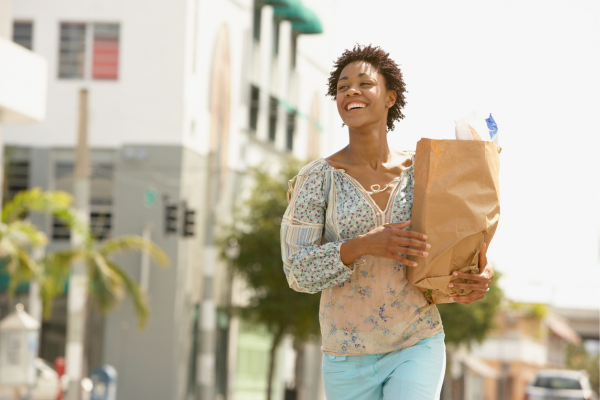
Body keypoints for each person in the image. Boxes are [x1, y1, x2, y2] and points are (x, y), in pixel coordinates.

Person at [281, 45, 495, 400]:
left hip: (417, 340)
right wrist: (362, 245)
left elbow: (459, 238)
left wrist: (479, 275)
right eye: (342, 87)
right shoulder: (316, 178)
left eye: (364, 83)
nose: (350, 91)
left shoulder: (426, 169)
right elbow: (297, 271)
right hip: (346, 354)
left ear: (390, 97)